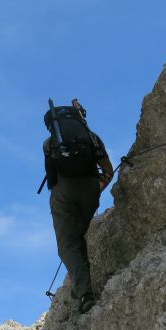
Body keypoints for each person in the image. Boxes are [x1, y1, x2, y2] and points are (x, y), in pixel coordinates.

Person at [43, 100, 114, 314]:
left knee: (67, 244)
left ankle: (85, 293)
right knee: (77, 237)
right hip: (91, 189)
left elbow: (52, 179)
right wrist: (97, 188)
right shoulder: (92, 138)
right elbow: (108, 170)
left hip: (64, 192)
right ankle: (82, 285)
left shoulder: (49, 143)